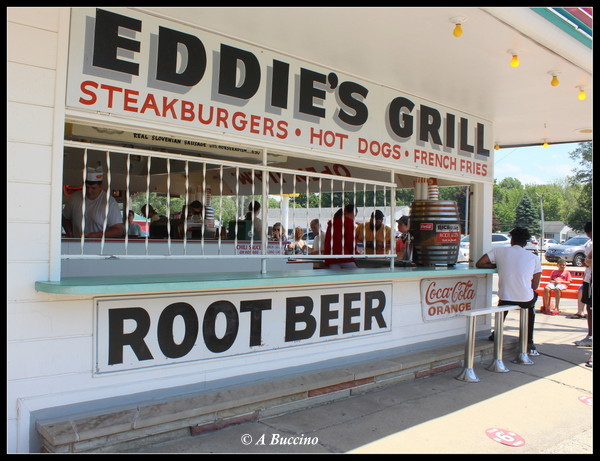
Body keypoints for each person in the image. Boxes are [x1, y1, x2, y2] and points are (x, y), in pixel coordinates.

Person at [476, 227, 542, 355]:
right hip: (525, 298)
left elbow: (480, 263)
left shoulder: (499, 251)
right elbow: (535, 285)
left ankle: (496, 333)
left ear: (511, 240)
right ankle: (529, 341)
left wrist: (497, 265)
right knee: (531, 305)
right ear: (525, 243)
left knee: (503, 305)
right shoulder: (533, 257)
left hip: (505, 297)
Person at [62, 167, 124, 238]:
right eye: (87, 187)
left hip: (99, 245)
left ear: (100, 186)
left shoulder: (110, 203)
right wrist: (70, 233)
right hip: (76, 244)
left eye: (93, 188)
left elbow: (118, 230)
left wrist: (96, 235)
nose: (89, 191)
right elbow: (65, 217)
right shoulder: (75, 197)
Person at [574, 221, 592, 348]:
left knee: (590, 308)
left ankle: (590, 336)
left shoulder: (590, 244)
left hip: (590, 279)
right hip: (588, 278)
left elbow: (589, 261)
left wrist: (586, 261)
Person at [323, 204, 357, 269]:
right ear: (352, 213)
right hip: (344, 256)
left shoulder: (332, 223)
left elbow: (327, 241)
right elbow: (351, 241)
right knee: (356, 276)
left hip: (331, 257)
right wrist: (355, 253)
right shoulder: (348, 222)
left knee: (335, 278)